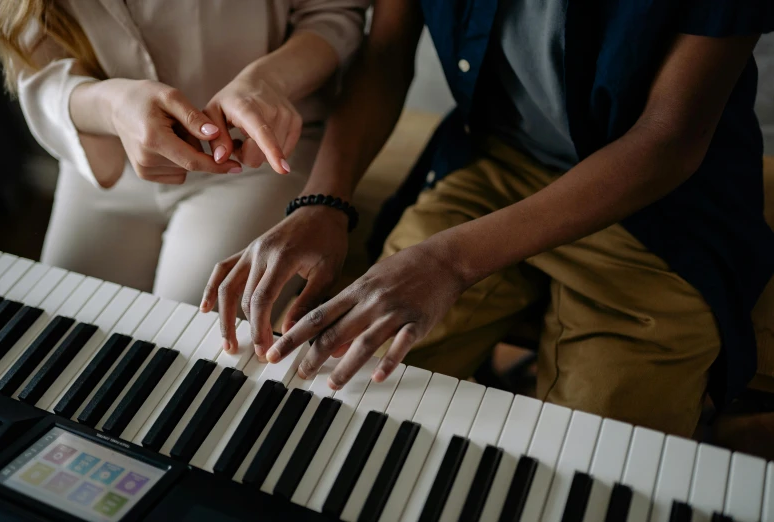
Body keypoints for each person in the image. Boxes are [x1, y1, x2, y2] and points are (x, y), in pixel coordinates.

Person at [203, 0, 774, 437]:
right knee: (350, 389)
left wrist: (446, 260)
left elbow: (668, 140)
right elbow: (385, 56)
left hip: (658, 203)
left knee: (601, 441)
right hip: (496, 161)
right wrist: (323, 201)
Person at [0, 0, 368, 309]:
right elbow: (36, 63)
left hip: (252, 157)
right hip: (102, 156)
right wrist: (111, 107)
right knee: (62, 323)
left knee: (193, 334)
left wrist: (268, 80)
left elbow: (332, 13)